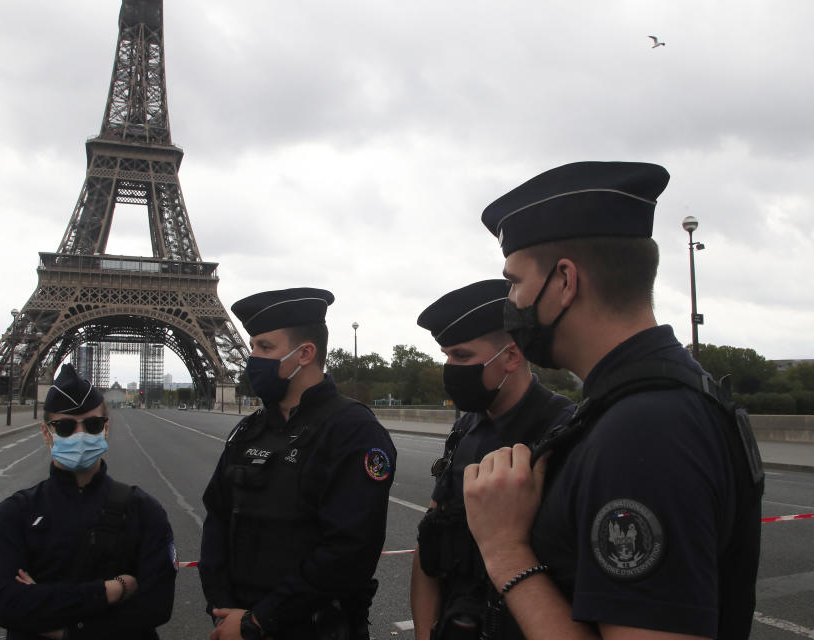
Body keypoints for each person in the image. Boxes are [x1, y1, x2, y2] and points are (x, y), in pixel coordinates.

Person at [462, 161, 764, 639]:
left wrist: (504, 551)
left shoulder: (646, 428)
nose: (512, 303)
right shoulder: (643, 401)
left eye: (516, 282)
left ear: (564, 281)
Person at [199, 287, 397, 640]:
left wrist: (259, 620)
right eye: (253, 346)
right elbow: (216, 517)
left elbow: (349, 551)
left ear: (305, 353)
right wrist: (223, 609)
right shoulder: (249, 430)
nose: (253, 358)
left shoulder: (353, 431)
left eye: (264, 347)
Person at [411, 279, 574, 640]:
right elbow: (430, 545)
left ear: (512, 357)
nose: (451, 368)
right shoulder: (465, 430)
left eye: (462, 356)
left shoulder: (563, 433)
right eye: (447, 356)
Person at [0, 364, 177, 639]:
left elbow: (156, 606)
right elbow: (7, 606)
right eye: (65, 427)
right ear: (46, 433)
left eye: (93, 424)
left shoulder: (145, 510)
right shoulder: (13, 513)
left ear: (105, 430)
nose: (80, 434)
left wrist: (57, 621)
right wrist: (113, 590)